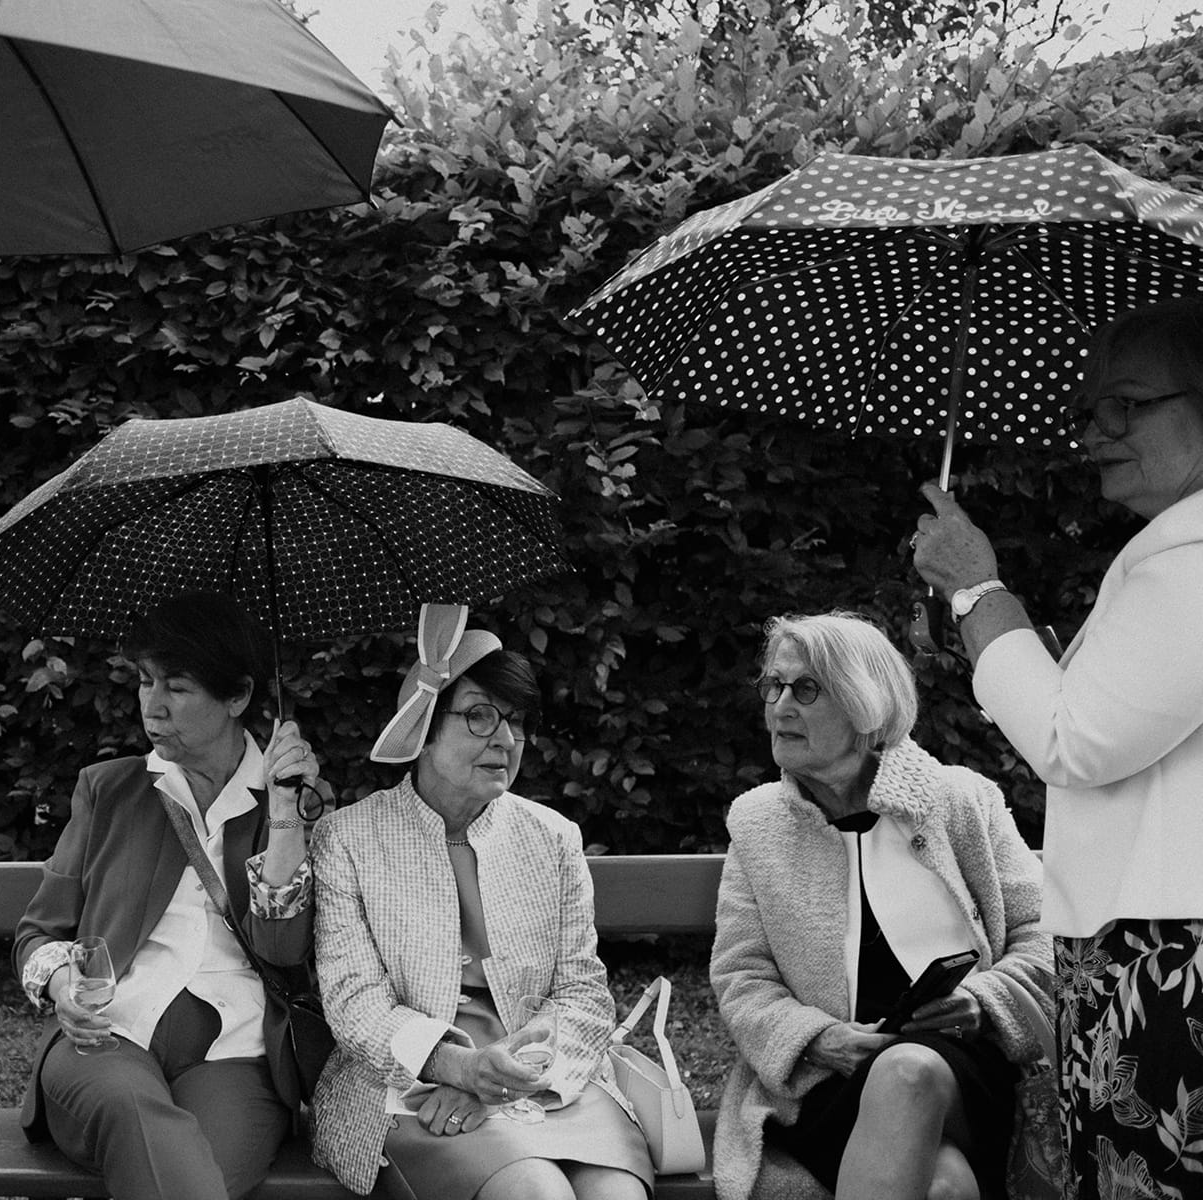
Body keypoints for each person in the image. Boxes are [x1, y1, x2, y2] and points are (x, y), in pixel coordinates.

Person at [911, 296, 1203, 1199]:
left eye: (1129, 402)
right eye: (1090, 408)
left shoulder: (1190, 556)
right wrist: (962, 610)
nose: (1097, 430)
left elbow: (1075, 740)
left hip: (1167, 958)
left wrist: (976, 589)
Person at [310, 604, 652, 1200]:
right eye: (479, 716)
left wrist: (508, 1075)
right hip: (406, 1089)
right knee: (535, 1194)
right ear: (424, 726)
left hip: (549, 1080)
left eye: (516, 721)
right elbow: (355, 1004)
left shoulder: (551, 837)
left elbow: (583, 992)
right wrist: (460, 1068)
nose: (504, 739)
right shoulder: (349, 838)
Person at [710, 610, 1052, 1200]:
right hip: (830, 1077)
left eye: (806, 689)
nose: (780, 705)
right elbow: (742, 976)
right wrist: (818, 1039)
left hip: (963, 1066)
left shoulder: (960, 800)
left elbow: (1043, 933)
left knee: (908, 1071)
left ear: (865, 704)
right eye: (774, 685)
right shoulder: (757, 822)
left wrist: (981, 1002)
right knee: (945, 1189)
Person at [11, 591, 326, 1200]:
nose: (152, 706)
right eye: (146, 681)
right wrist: (60, 987)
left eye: (177, 688)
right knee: (135, 1114)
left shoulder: (297, 802)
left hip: (236, 1056)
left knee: (188, 1171)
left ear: (238, 696)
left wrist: (287, 816)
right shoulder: (111, 790)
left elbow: (286, 952)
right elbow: (38, 934)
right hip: (105, 1038)